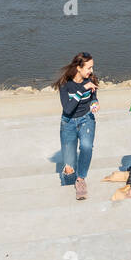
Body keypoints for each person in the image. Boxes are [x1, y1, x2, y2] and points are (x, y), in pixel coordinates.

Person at [53, 52, 99, 201]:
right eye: (88, 68)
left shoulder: (90, 79)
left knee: (86, 146)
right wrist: (82, 89)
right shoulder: (65, 84)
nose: (91, 71)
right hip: (68, 122)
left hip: (86, 119)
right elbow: (68, 108)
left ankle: (81, 180)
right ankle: (67, 187)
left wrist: (94, 103)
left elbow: (93, 96)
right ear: (79, 68)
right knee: (69, 166)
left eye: (92, 67)